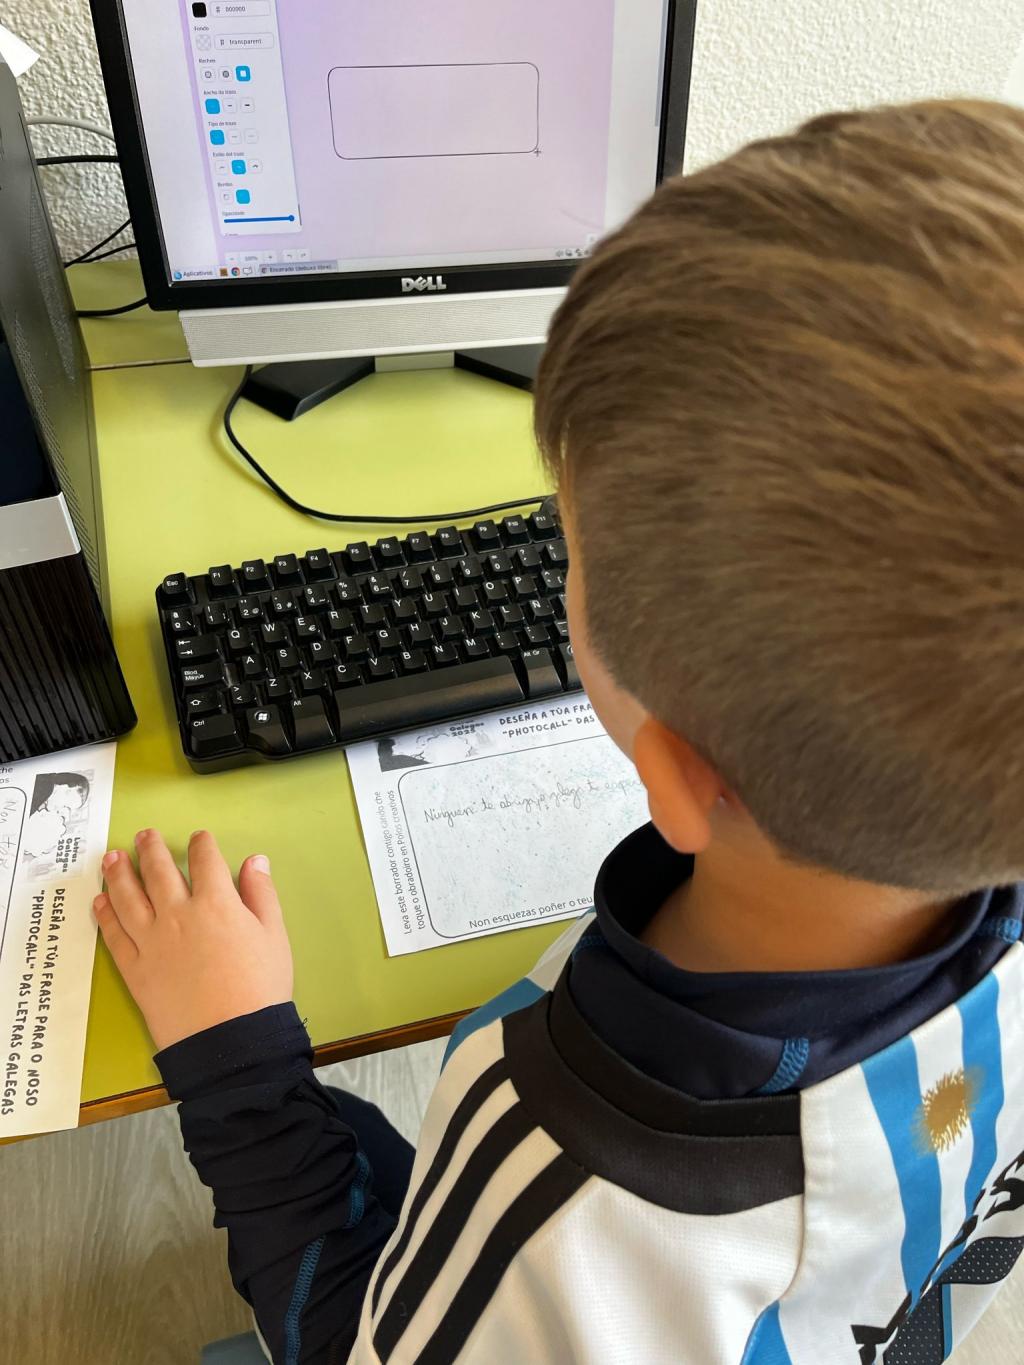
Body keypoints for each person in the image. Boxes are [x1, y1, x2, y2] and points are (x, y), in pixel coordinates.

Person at [95, 100, 1024, 1364]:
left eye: (565, 556)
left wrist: (236, 1063)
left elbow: (353, 1341)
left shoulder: (559, 1188)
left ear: (679, 778)